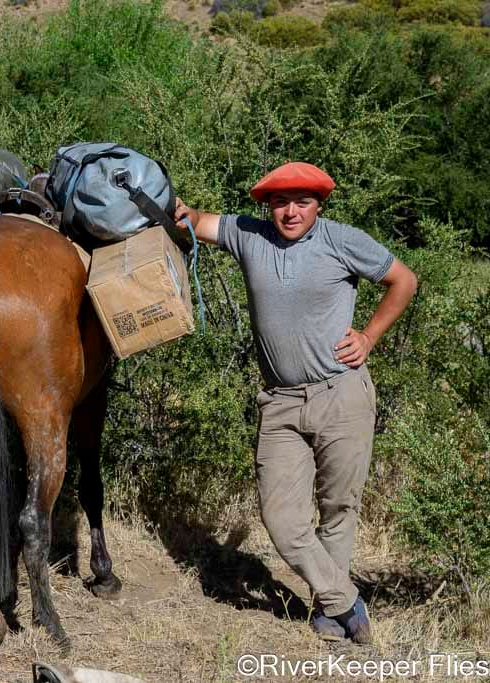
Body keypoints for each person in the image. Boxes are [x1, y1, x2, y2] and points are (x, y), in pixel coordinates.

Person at [174, 162, 417, 644]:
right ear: (267, 205)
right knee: (281, 518)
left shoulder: (342, 239)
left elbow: (404, 280)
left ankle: (326, 611)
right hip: (281, 403)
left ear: (318, 204)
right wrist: (174, 209)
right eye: (281, 202)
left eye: (301, 202)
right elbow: (196, 221)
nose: (290, 212)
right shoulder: (249, 234)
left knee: (338, 507)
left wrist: (369, 336)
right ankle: (345, 599)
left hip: (341, 393)